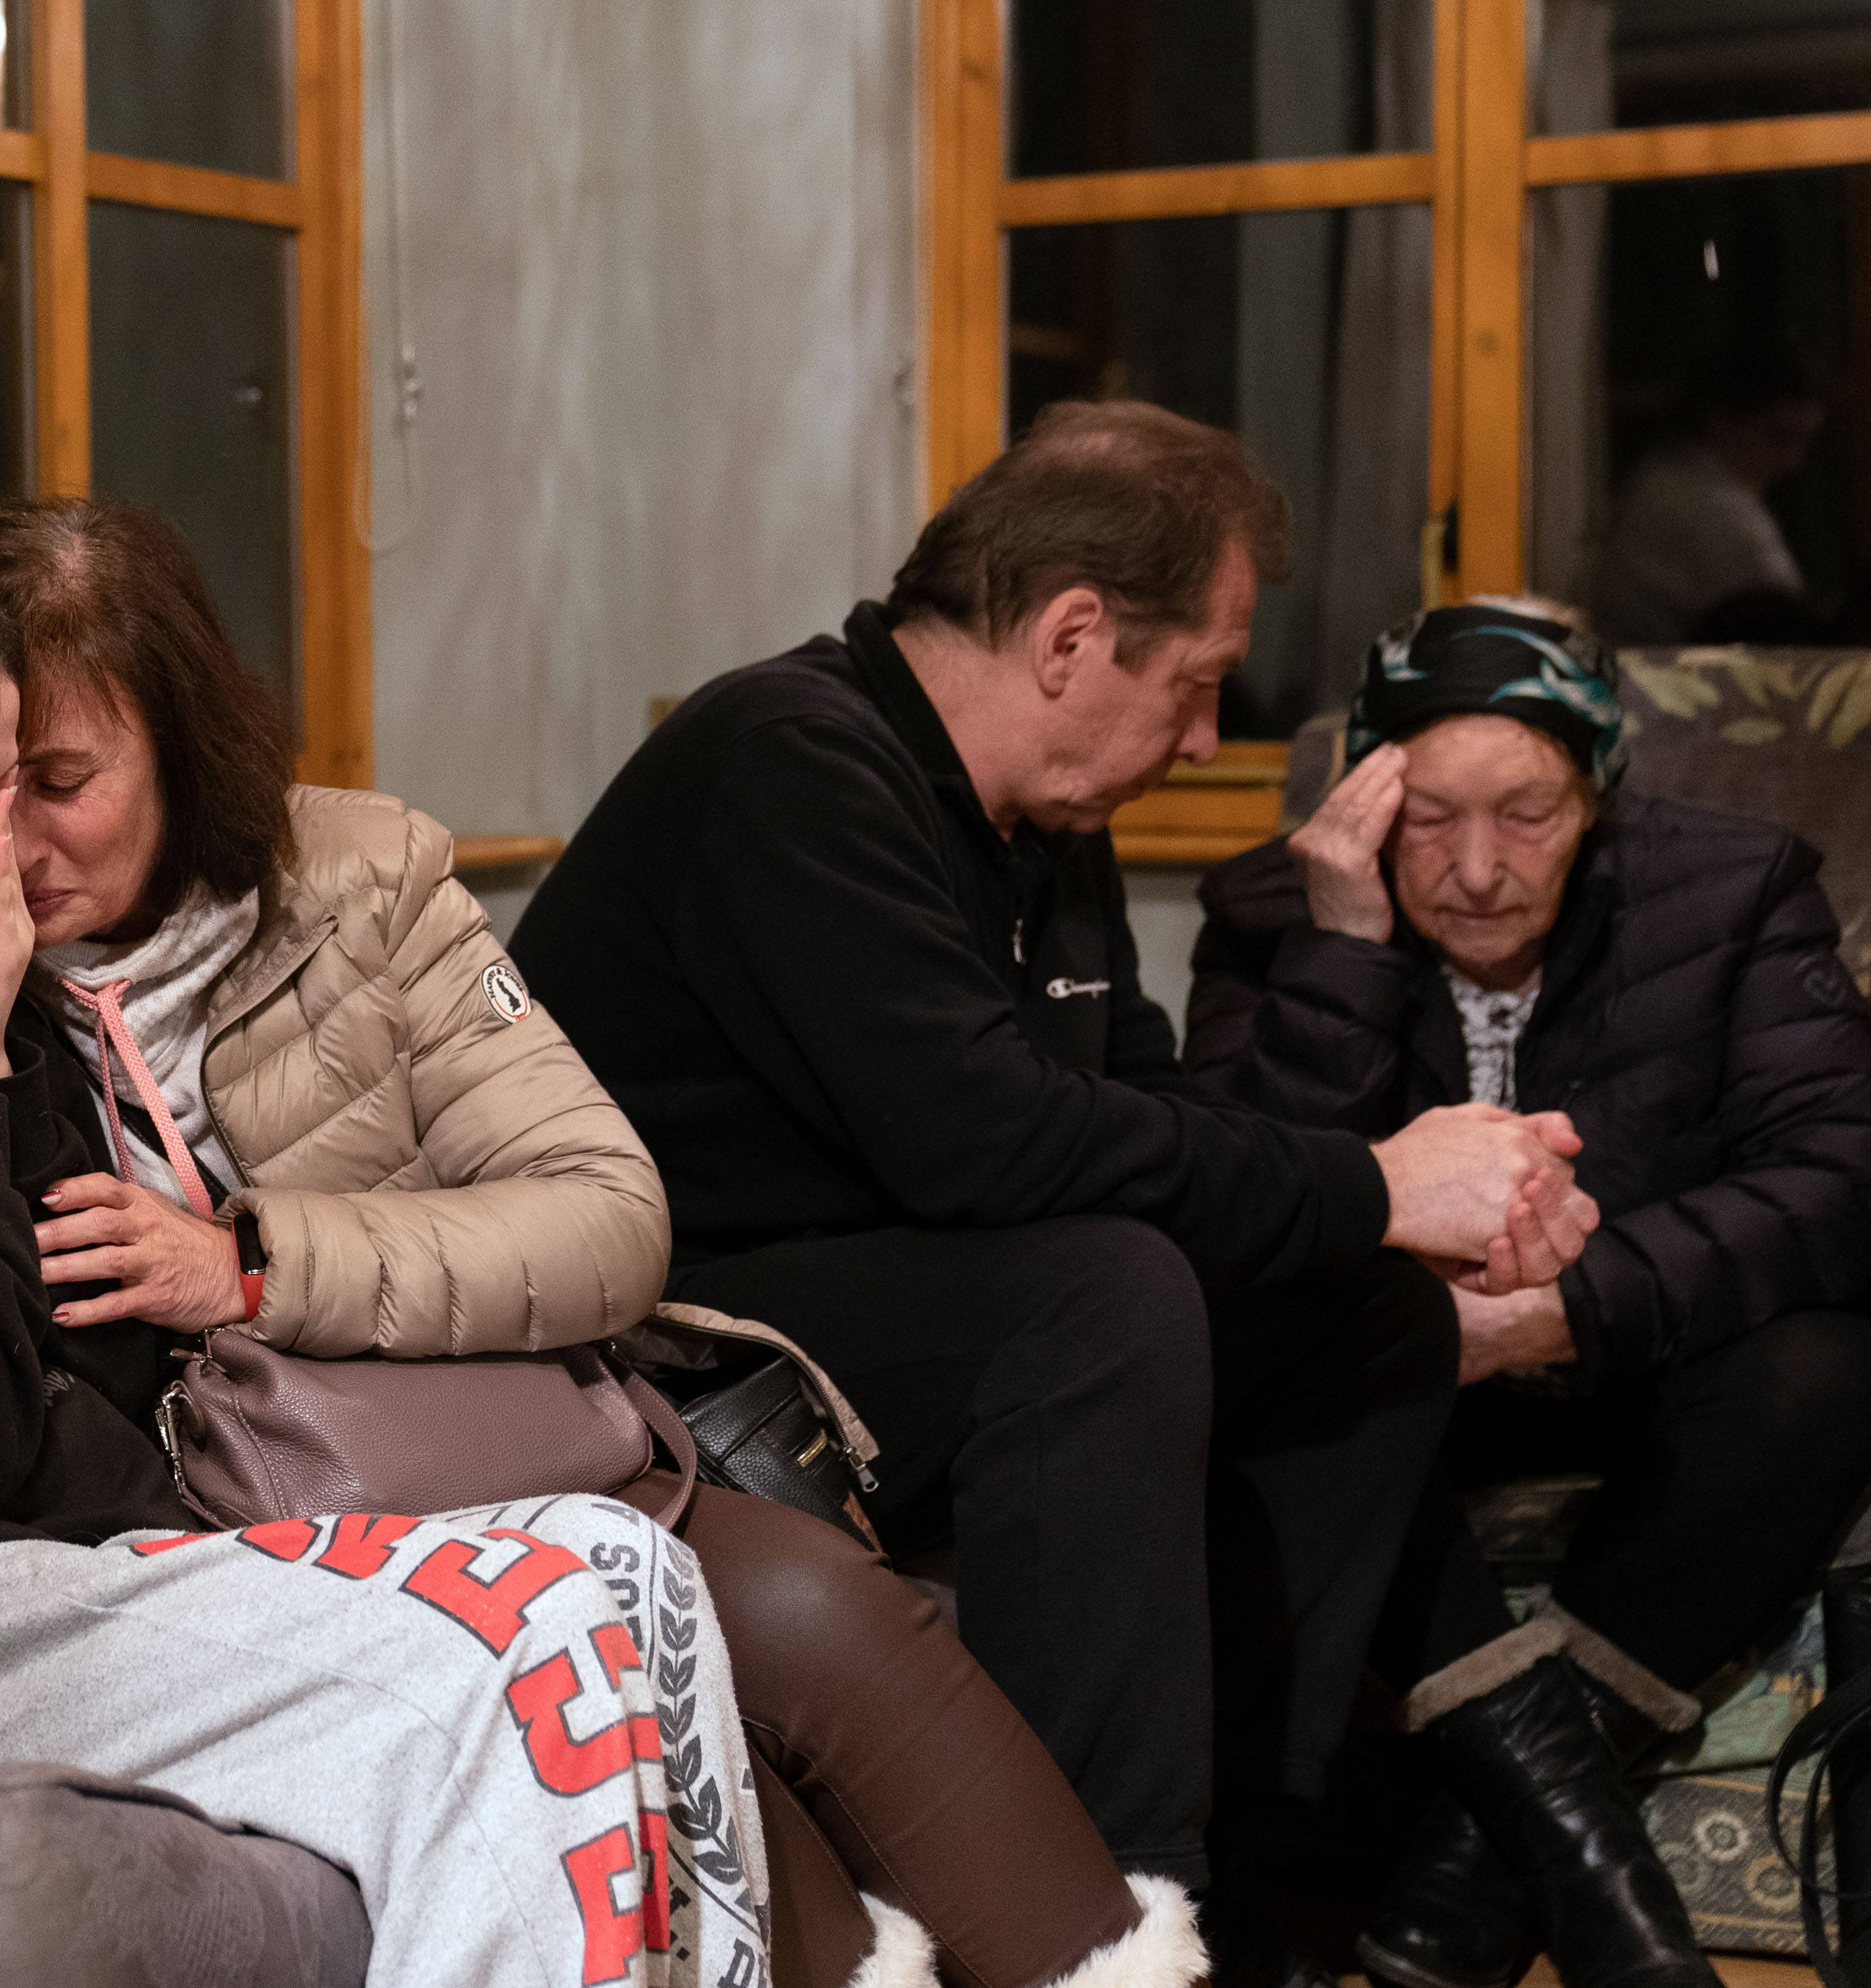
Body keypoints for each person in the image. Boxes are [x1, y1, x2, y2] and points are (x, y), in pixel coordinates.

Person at [0, 497, 1206, 1988]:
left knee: (776, 1595)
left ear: (180, 750)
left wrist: (249, 1260)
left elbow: (586, 1213)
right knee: (604, 1613)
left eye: (43, 783)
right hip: (190, 1515)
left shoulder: (329, 886)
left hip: (412, 1423)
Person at [509, 400, 1598, 1988]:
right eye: (1201, 676)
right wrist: (1372, 1177)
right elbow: (988, 1144)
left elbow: (1136, 1107)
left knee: (1361, 1314)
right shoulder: (787, 759)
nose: (1208, 736)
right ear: (1075, 633)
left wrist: (1396, 1230)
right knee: (1100, 1293)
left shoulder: (1041, 823)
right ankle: (1090, 1914)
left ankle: (1250, 1878)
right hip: (673, 1332)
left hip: (887, 1289)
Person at [1185, 600, 1871, 1988]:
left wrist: (1571, 1304)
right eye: (1429, 818)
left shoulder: (1734, 888)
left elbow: (1841, 1175)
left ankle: (1474, 1849)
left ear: (1600, 790)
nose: (1482, 870)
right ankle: (1578, 1862)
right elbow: (1239, 1220)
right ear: (1367, 796)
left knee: (1828, 1366)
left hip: (1643, 1366)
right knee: (1282, 1389)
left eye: (1531, 813)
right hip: (1400, 1391)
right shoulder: (1274, 910)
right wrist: (1342, 952)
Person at [1592, 346, 1830, 645]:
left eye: (1805, 441)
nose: (1794, 462)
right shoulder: (1704, 504)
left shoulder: (1670, 479)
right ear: (1720, 423)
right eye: (1780, 436)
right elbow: (1790, 634)